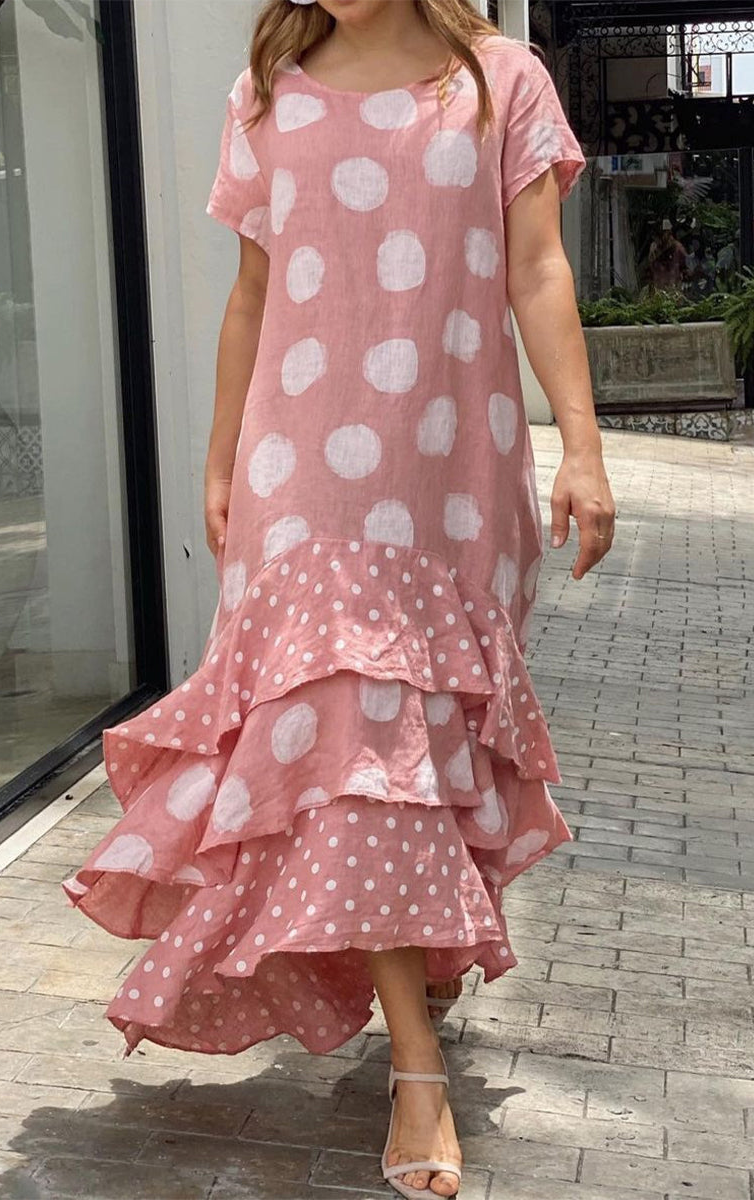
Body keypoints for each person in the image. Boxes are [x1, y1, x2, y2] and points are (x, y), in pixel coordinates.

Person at [62, 1, 615, 1196]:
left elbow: (534, 267)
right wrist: (221, 459)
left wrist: (580, 445)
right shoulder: (269, 92)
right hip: (301, 475)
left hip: (450, 476)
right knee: (349, 735)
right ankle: (415, 1072)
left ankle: (418, 947)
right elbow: (253, 292)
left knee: (424, 742)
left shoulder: (499, 83)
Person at [647, 217, 687, 291]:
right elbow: (650, 265)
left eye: (664, 233)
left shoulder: (678, 247)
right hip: (659, 288)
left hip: (673, 287)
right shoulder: (654, 246)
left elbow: (685, 266)